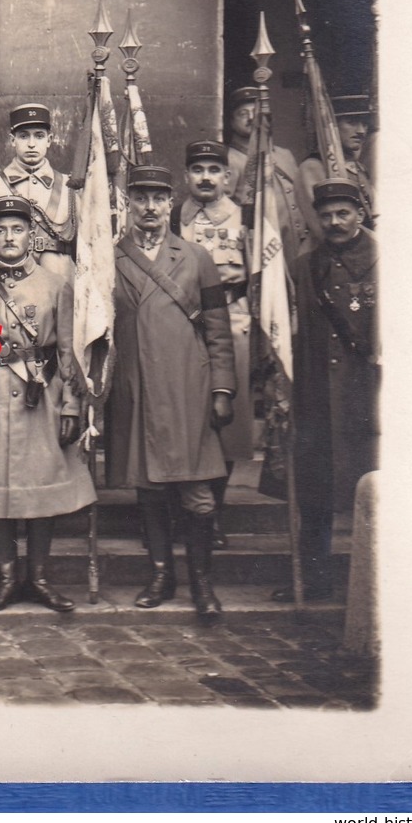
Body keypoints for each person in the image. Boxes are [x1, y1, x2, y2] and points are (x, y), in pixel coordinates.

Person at [107, 165, 237, 620]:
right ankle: (161, 575)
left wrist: (222, 388)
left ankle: (202, 582)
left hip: (188, 389)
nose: (149, 208)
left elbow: (218, 329)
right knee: (151, 490)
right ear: (128, 204)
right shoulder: (110, 257)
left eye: (158, 199)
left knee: (197, 493)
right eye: (140, 198)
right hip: (138, 387)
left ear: (170, 204)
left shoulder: (196, 256)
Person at [0, 195, 93, 613]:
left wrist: (72, 405)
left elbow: (69, 353)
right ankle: (6, 579)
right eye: (0, 229)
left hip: (44, 398)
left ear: (32, 235)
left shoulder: (56, 285)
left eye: (17, 229)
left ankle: (38, 578)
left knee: (41, 489)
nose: (8, 237)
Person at [272, 178, 379, 602]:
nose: (334, 222)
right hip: (316, 394)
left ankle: (376, 582)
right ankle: (314, 579)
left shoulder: (385, 260)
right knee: (315, 491)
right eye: (326, 215)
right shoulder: (305, 266)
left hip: (366, 395)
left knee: (370, 485)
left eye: (343, 213)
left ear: (361, 214)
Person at [177, 139, 253, 548]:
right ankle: (183, 513)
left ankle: (214, 514)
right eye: (197, 169)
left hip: (232, 319)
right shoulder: (175, 217)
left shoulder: (245, 219)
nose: (205, 177)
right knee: (185, 419)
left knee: (224, 421)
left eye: (213, 169)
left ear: (228, 176)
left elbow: (258, 277)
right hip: (184, 326)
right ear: (186, 175)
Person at [0, 103, 77, 280]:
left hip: (61, 280)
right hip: (10, 281)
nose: (31, 144)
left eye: (39, 136)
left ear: (49, 140)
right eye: (23, 136)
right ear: (12, 140)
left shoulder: (69, 185)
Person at [224, 85, 314, 255]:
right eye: (243, 114)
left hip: (299, 243)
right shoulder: (229, 159)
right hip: (263, 248)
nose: (252, 118)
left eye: (256, 112)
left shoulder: (284, 154)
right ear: (231, 122)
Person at [298, 94, 377, 233]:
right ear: (332, 127)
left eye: (364, 123)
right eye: (352, 122)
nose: (361, 131)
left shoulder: (358, 167)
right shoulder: (314, 167)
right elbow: (326, 229)